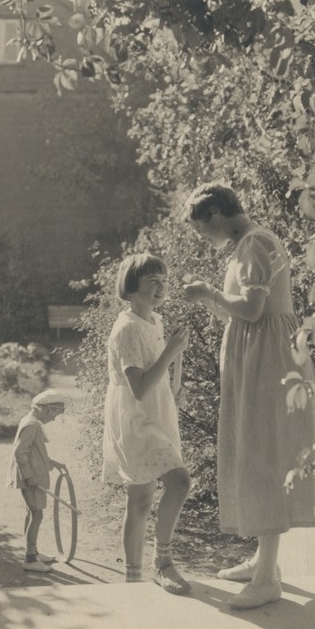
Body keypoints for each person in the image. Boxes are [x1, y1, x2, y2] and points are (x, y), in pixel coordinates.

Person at [182, 182, 315, 609]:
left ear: (217, 215)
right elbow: (236, 311)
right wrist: (210, 299)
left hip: (270, 364)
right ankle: (265, 562)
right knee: (258, 450)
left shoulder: (257, 243)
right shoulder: (246, 244)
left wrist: (208, 291)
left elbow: (252, 311)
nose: (203, 237)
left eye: (202, 228)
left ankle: (267, 580)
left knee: (265, 454)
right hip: (258, 359)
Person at [102, 253, 192, 595]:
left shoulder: (155, 320)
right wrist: (171, 351)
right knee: (166, 487)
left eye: (164, 281)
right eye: (152, 281)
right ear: (131, 288)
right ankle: (144, 571)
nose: (160, 287)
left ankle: (149, 569)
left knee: (147, 495)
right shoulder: (126, 329)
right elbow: (138, 388)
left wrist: (172, 391)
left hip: (156, 412)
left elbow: (155, 379)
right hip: (135, 419)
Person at [7, 388, 67, 572]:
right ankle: (30, 559)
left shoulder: (31, 421)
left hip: (31, 475)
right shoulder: (32, 425)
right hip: (31, 478)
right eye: (55, 414)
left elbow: (34, 452)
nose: (53, 419)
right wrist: (29, 476)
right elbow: (20, 452)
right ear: (47, 409)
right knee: (37, 514)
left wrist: (51, 462)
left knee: (32, 513)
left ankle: (32, 551)